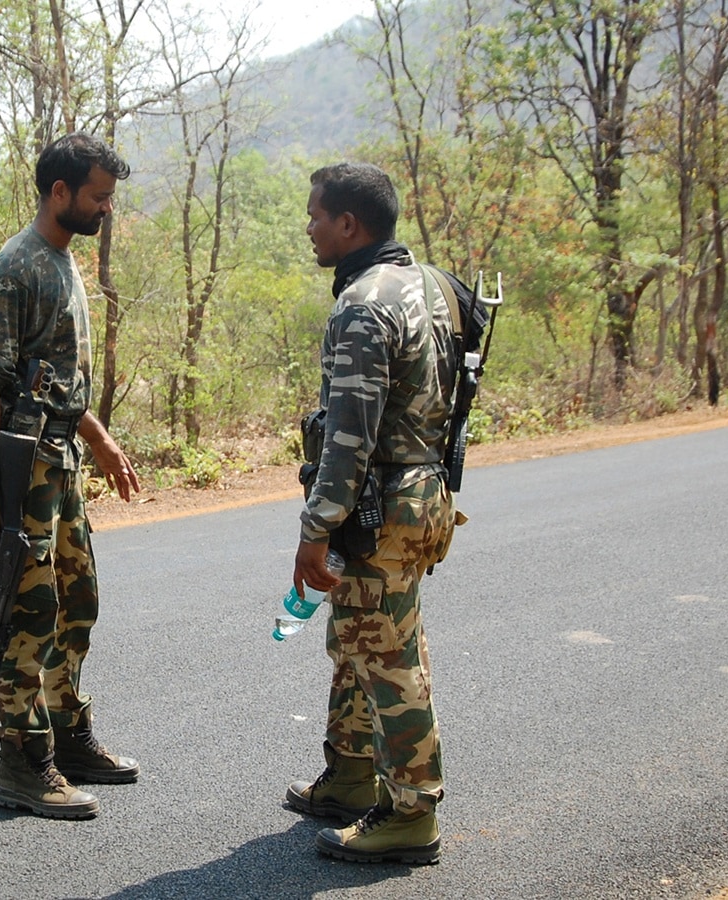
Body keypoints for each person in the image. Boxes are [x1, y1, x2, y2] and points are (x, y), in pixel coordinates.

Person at [0, 133, 143, 819]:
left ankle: (67, 733)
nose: (106, 209)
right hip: (27, 468)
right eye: (99, 197)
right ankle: (22, 760)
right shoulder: (19, 265)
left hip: (63, 462)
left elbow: (54, 379)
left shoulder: (64, 260)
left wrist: (100, 439)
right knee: (30, 615)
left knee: (78, 602)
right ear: (60, 191)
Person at [285, 162, 460, 864]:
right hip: (420, 493)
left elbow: (348, 439)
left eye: (316, 215)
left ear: (349, 224)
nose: (309, 227)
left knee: (386, 655)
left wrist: (315, 530)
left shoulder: (363, 303)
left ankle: (411, 813)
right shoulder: (430, 286)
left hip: (379, 505)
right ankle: (352, 777)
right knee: (358, 637)